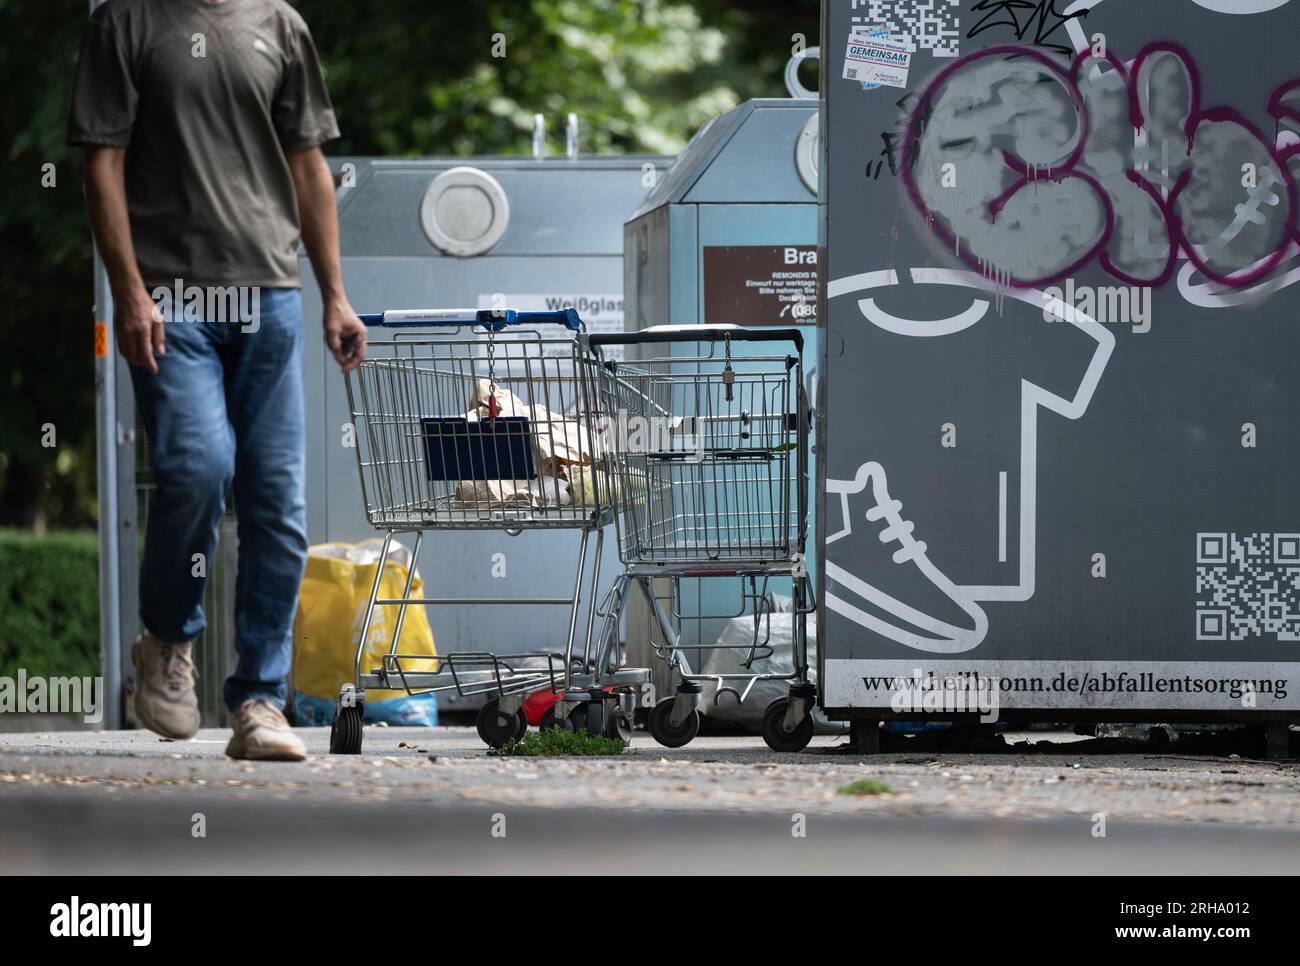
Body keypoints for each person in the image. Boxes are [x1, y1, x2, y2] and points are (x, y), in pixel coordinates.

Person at [68, 0, 367, 759]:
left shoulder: (280, 23)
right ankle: (166, 643)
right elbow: (100, 163)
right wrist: (128, 291)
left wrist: (333, 293)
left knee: (275, 499)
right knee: (197, 469)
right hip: (172, 299)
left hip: (269, 298)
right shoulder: (125, 24)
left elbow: (309, 168)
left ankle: (260, 701)